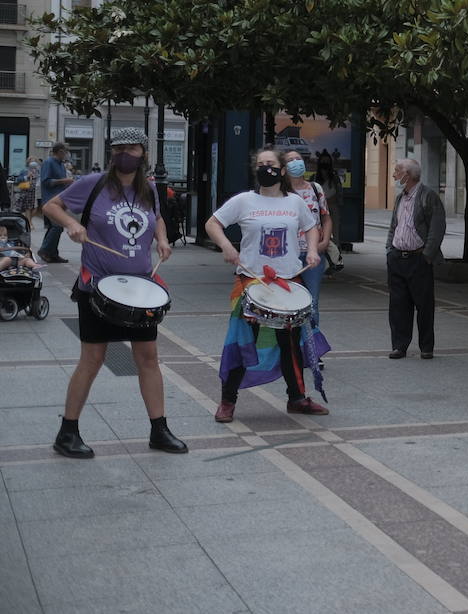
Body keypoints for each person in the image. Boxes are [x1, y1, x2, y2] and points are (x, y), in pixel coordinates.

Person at [44, 128, 184, 458]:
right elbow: (52, 205)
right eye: (119, 148)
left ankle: (159, 430)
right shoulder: (93, 184)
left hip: (139, 291)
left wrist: (161, 240)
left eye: (131, 148)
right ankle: (67, 432)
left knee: (148, 358)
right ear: (112, 153)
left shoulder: (148, 188)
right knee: (92, 359)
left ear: (142, 153)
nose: (125, 153)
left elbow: (158, 219)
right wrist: (72, 225)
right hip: (98, 287)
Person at [205, 147, 328, 422]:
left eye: (271, 164)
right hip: (252, 282)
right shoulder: (244, 201)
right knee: (242, 341)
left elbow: (312, 226)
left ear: (282, 170)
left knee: (291, 344)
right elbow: (212, 224)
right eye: (261, 164)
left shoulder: (294, 202)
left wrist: (311, 250)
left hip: (288, 281)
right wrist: (226, 246)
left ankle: (297, 398)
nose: (266, 168)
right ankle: (227, 401)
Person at [385, 158, 446, 359]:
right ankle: (399, 345)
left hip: (418, 258)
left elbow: (437, 228)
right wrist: (389, 249)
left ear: (408, 175)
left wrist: (427, 255)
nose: (395, 174)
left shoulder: (428, 196)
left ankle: (426, 347)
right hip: (397, 257)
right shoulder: (400, 198)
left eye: (397, 171)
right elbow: (395, 225)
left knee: (424, 305)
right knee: (398, 305)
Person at [284, 150, 330, 328]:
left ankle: (312, 345)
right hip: (289, 255)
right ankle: (292, 344)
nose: (295, 162)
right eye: (290, 160)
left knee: (312, 301)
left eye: (298, 159)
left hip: (314, 254)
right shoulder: (281, 191)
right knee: (288, 301)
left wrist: (325, 241)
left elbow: (326, 217)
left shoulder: (315, 188)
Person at [37, 142, 75, 262]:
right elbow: (46, 181)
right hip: (50, 200)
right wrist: (64, 180)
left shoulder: (61, 165)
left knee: (56, 227)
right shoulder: (48, 162)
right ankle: (45, 250)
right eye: (66, 152)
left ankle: (52, 253)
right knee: (56, 226)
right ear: (60, 152)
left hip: (59, 199)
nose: (67, 154)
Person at [314, 150, 345, 273]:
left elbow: (339, 193)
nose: (325, 164)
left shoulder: (334, 177)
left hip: (332, 207)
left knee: (334, 234)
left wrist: (336, 203)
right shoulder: (315, 178)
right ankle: (326, 261)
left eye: (327, 162)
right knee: (320, 234)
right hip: (318, 210)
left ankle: (335, 260)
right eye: (323, 162)